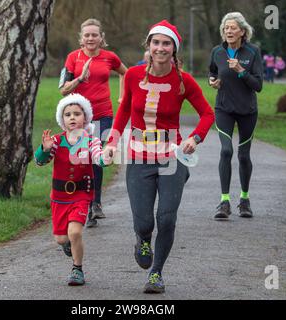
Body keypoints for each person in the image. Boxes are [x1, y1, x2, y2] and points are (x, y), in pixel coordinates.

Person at [104, 20, 215, 294]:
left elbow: (208, 114)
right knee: (144, 222)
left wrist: (195, 137)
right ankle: (142, 238)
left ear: (174, 49)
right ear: (149, 46)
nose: (160, 48)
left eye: (166, 44)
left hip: (172, 157)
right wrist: (111, 142)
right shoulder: (132, 76)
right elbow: (124, 112)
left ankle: (157, 273)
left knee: (166, 218)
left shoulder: (183, 81)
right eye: (156, 43)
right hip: (139, 157)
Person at [34, 94, 111, 286]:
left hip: (81, 195)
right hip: (59, 197)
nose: (72, 117)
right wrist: (44, 149)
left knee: (75, 232)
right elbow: (40, 162)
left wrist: (106, 157)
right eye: (67, 114)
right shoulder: (56, 141)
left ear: (85, 118)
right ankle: (67, 243)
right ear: (62, 119)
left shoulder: (91, 141)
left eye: (77, 113)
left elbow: (98, 157)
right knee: (61, 239)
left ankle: (77, 269)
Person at [59, 18, 127, 228]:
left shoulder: (110, 57)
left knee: (97, 158)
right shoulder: (73, 58)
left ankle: (95, 204)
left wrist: (122, 96)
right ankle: (86, 204)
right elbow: (63, 89)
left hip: (104, 114)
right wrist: (80, 78)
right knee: (83, 159)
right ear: (82, 38)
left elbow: (126, 73)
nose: (90, 38)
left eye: (94, 35)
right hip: (80, 118)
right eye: (87, 35)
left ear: (101, 38)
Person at [208, 12, 263, 221]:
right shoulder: (217, 52)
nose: (228, 31)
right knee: (225, 151)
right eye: (225, 28)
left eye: (232, 28)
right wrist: (212, 81)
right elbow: (212, 73)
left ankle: (245, 199)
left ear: (242, 31)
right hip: (224, 108)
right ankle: (224, 201)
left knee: (243, 155)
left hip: (247, 110)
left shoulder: (252, 52)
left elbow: (258, 85)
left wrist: (241, 70)